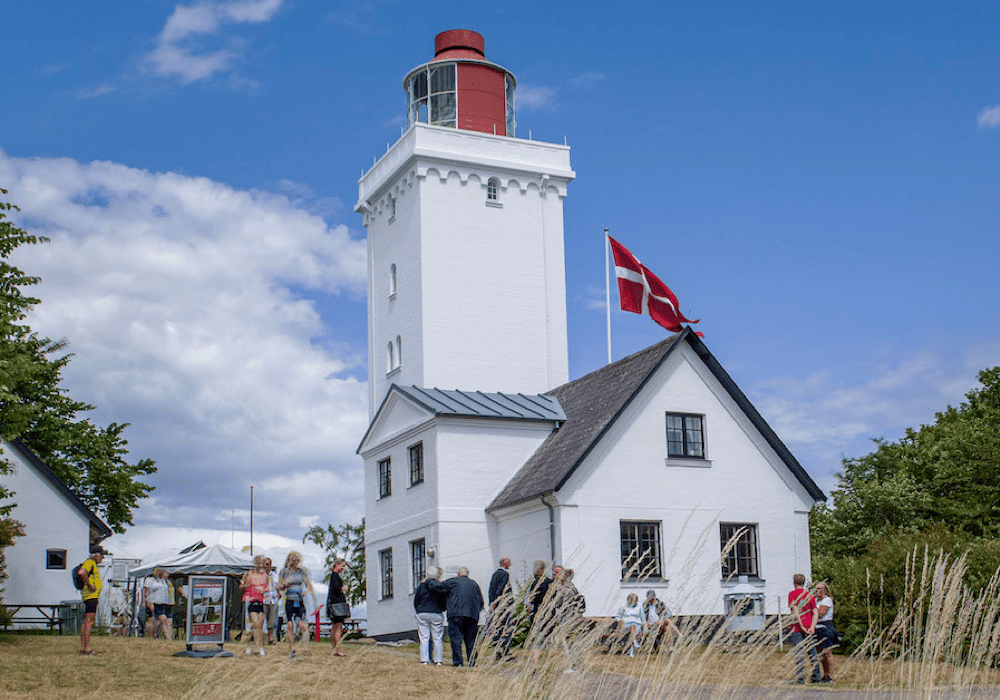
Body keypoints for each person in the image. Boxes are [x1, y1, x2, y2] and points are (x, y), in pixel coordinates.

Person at [433, 567, 485, 667]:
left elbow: (438, 587)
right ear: (467, 574)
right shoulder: (474, 584)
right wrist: (475, 611)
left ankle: (458, 662)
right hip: (471, 616)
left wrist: (429, 580)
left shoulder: (453, 582)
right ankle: (473, 661)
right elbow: (481, 602)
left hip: (455, 614)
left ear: (458, 574)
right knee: (471, 639)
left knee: (456, 638)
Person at [279, 551, 315, 659]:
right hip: (289, 600)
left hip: (299, 600)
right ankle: (292, 649)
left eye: (297, 561)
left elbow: (308, 584)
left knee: (303, 625)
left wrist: (306, 591)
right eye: (292, 561)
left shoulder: (301, 572)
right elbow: (280, 585)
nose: (295, 563)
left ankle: (306, 649)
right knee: (290, 625)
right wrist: (285, 584)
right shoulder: (284, 571)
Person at [787, 573, 821, 684]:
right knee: (812, 652)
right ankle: (816, 676)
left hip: (797, 627)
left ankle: (800, 678)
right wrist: (812, 627)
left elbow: (795, 611)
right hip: (809, 626)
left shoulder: (792, 594)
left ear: (794, 582)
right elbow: (815, 612)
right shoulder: (810, 595)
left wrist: (801, 626)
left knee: (799, 653)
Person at [78, 543, 109, 656]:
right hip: (91, 596)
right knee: (89, 622)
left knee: (87, 621)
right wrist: (90, 585)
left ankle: (84, 646)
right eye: (101, 555)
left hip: (91, 596)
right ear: (95, 555)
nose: (103, 557)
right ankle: (86, 647)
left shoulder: (92, 564)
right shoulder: (90, 563)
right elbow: (81, 573)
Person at [414, 566, 446, 665]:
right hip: (436, 612)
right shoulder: (439, 586)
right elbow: (443, 600)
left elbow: (416, 600)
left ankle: (424, 660)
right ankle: (438, 660)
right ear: (437, 575)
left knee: (424, 637)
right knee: (437, 638)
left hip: (422, 612)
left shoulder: (421, 586)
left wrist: (419, 610)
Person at [241, 555, 269, 656]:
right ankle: (250, 645)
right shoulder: (248, 574)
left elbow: (267, 587)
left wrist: (265, 590)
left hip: (260, 600)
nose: (260, 566)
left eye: (261, 564)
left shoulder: (264, 576)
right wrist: (246, 586)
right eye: (258, 563)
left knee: (260, 625)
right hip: (250, 600)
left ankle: (260, 647)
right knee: (252, 625)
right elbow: (241, 586)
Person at [814, 582, 838, 683]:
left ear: (825, 590)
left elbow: (820, 614)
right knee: (820, 652)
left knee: (827, 652)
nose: (818, 591)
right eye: (816, 589)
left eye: (820, 589)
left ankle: (831, 676)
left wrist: (811, 611)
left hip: (825, 626)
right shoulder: (815, 600)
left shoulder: (827, 600)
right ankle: (825, 674)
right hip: (817, 627)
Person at [326, 558, 350, 657]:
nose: (343, 568)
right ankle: (338, 649)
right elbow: (336, 589)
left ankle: (334, 648)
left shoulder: (333, 576)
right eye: (342, 566)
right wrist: (342, 589)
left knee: (334, 626)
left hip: (333, 604)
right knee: (338, 627)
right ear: (337, 565)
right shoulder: (335, 576)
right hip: (337, 604)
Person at [143, 568, 174, 640]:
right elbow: (145, 590)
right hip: (152, 601)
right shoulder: (149, 580)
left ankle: (156, 635)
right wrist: (146, 601)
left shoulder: (162, 581)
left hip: (161, 602)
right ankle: (155, 636)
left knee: (159, 621)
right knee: (156, 620)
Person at [615, 592, 646, 657]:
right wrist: (620, 620)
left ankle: (632, 649)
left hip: (637, 626)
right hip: (626, 626)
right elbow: (618, 616)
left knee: (633, 628)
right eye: (631, 600)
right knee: (632, 627)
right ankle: (634, 643)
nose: (633, 602)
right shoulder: (623, 607)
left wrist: (645, 628)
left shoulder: (640, 607)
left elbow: (643, 618)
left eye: (634, 600)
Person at [262, 557, 280, 644]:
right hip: (263, 599)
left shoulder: (275, 575)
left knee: (272, 621)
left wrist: (278, 596)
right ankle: (260, 638)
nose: (267, 566)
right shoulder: (261, 575)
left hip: (273, 599)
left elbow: (278, 586)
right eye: (265, 564)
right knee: (261, 619)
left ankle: (271, 638)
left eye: (268, 564)